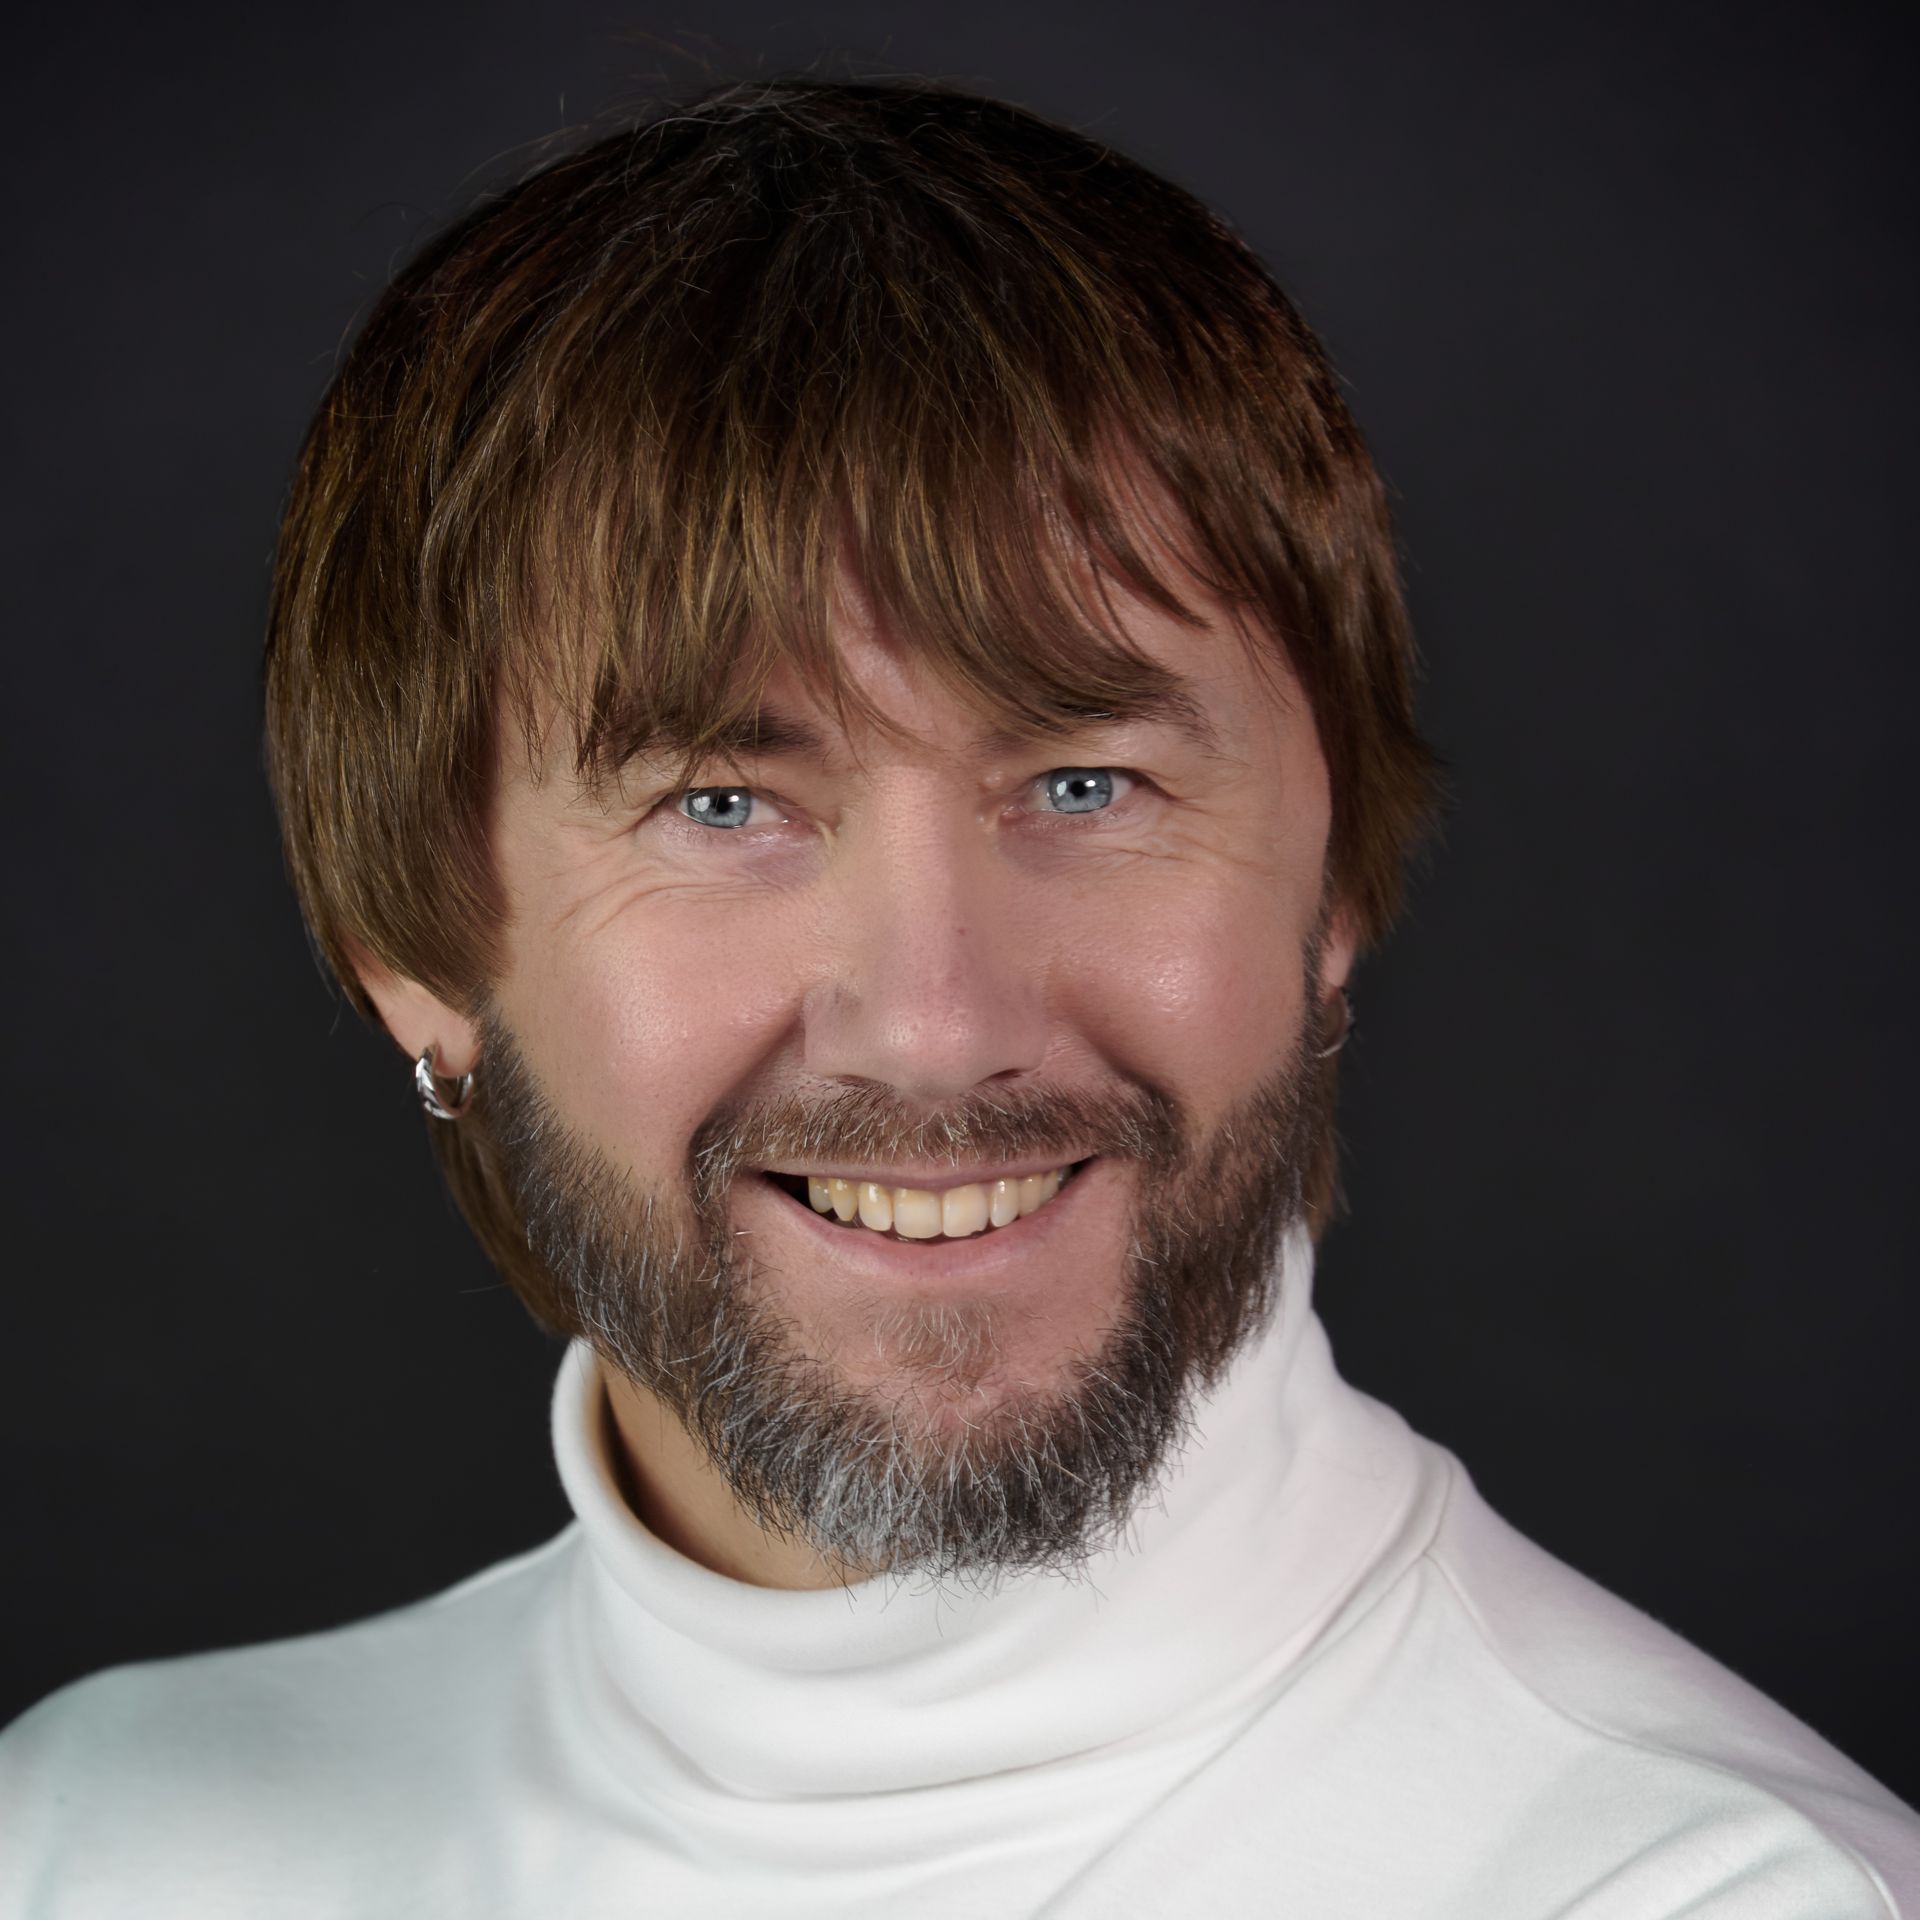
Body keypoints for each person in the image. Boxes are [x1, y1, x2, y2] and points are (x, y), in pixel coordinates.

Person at [1, 75, 1913, 1920]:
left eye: (1086, 783)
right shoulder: (91, 1849)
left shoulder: (1709, 1895)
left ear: (1330, 890)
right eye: (723, 805)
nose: (936, 1023)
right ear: (415, 951)